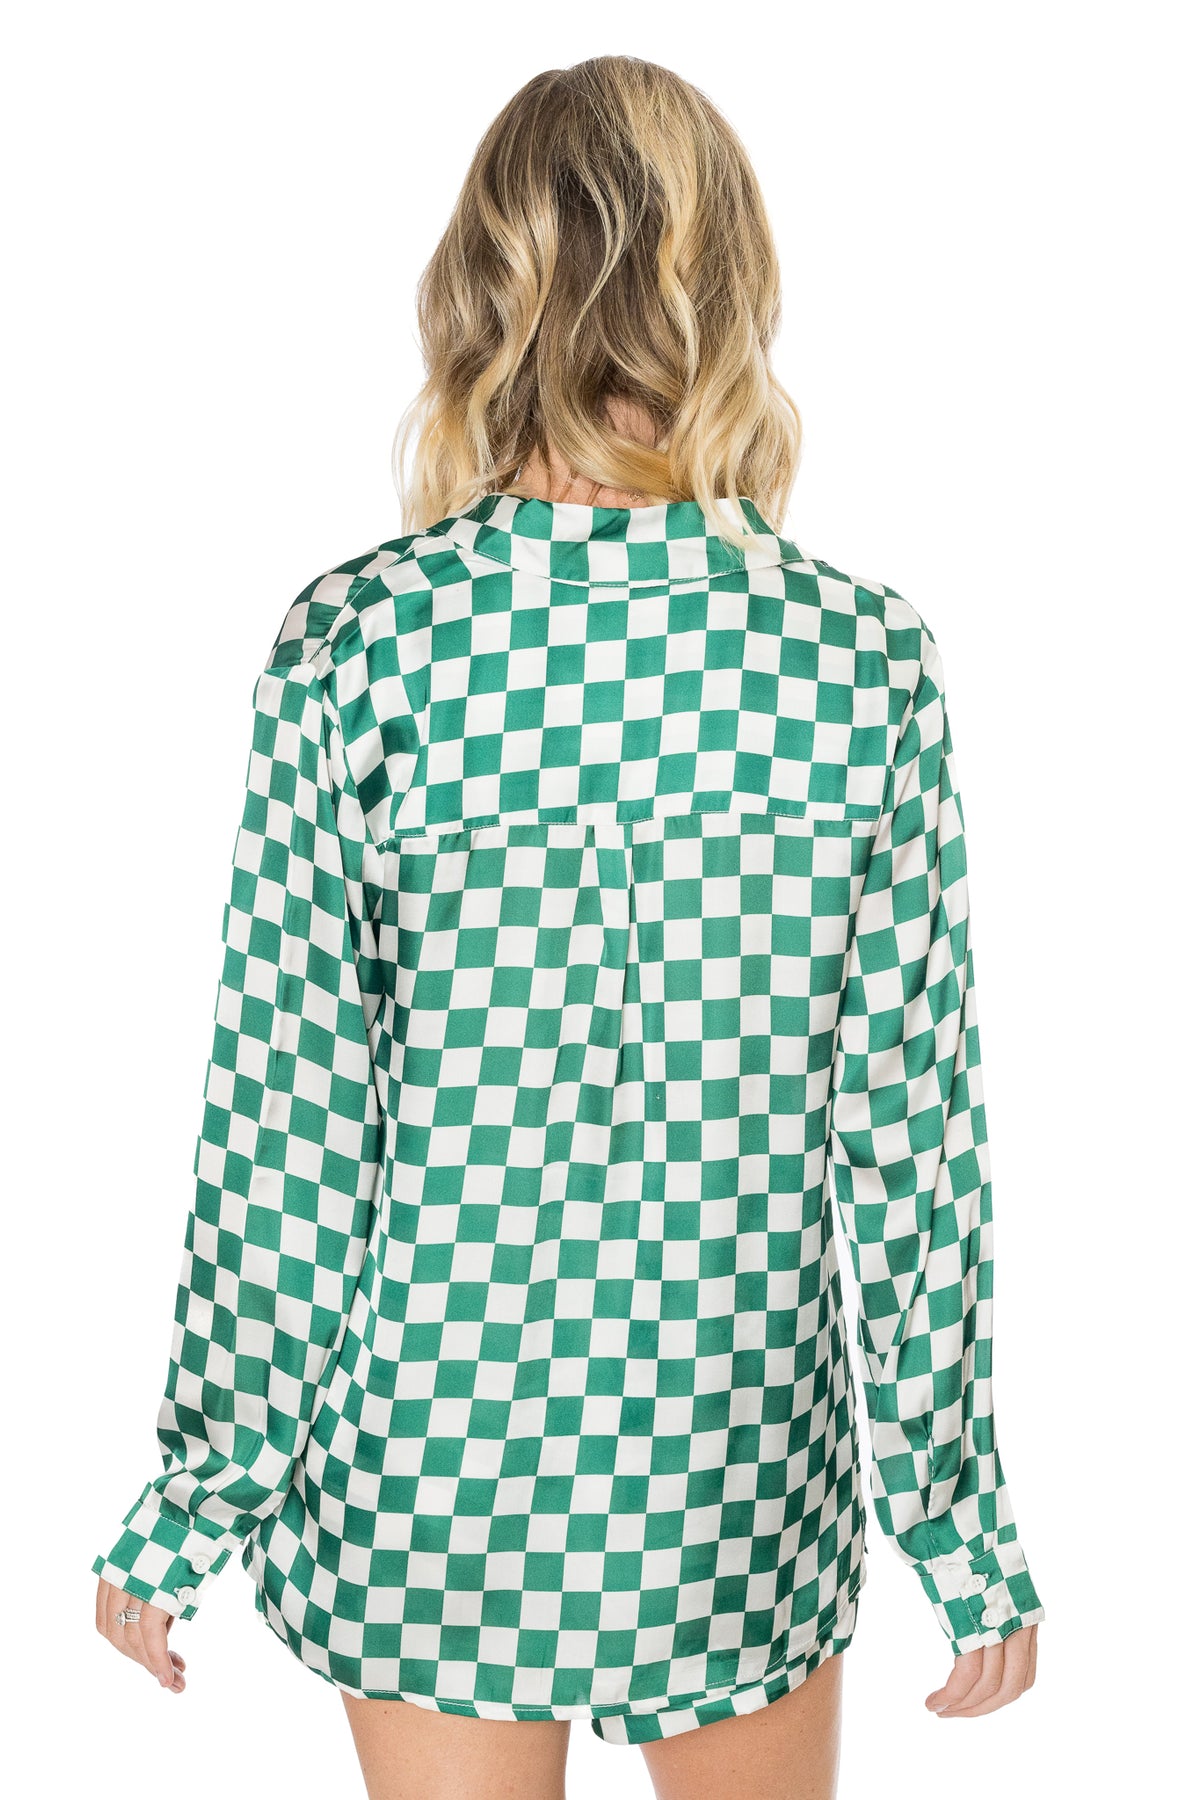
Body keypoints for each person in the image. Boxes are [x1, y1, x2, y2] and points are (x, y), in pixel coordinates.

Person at [92, 53, 1044, 1800]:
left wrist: (189, 1504)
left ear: (481, 286)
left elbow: (287, 1127)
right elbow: (912, 1142)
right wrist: (959, 1525)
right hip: (729, 1455)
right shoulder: (858, 661)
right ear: (728, 284)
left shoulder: (357, 645)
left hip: (428, 1464)